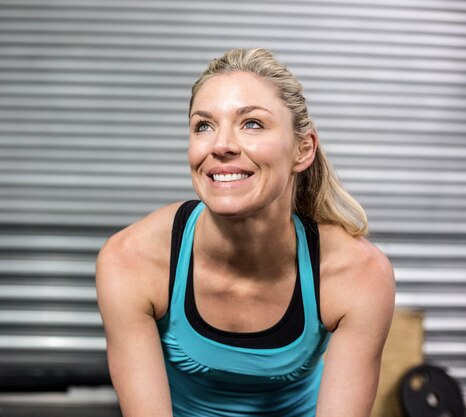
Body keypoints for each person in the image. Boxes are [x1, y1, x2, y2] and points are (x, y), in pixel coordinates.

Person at [95, 47, 395, 417]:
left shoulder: (357, 273)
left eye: (252, 123)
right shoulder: (131, 260)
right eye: (203, 125)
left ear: (303, 150)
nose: (221, 145)